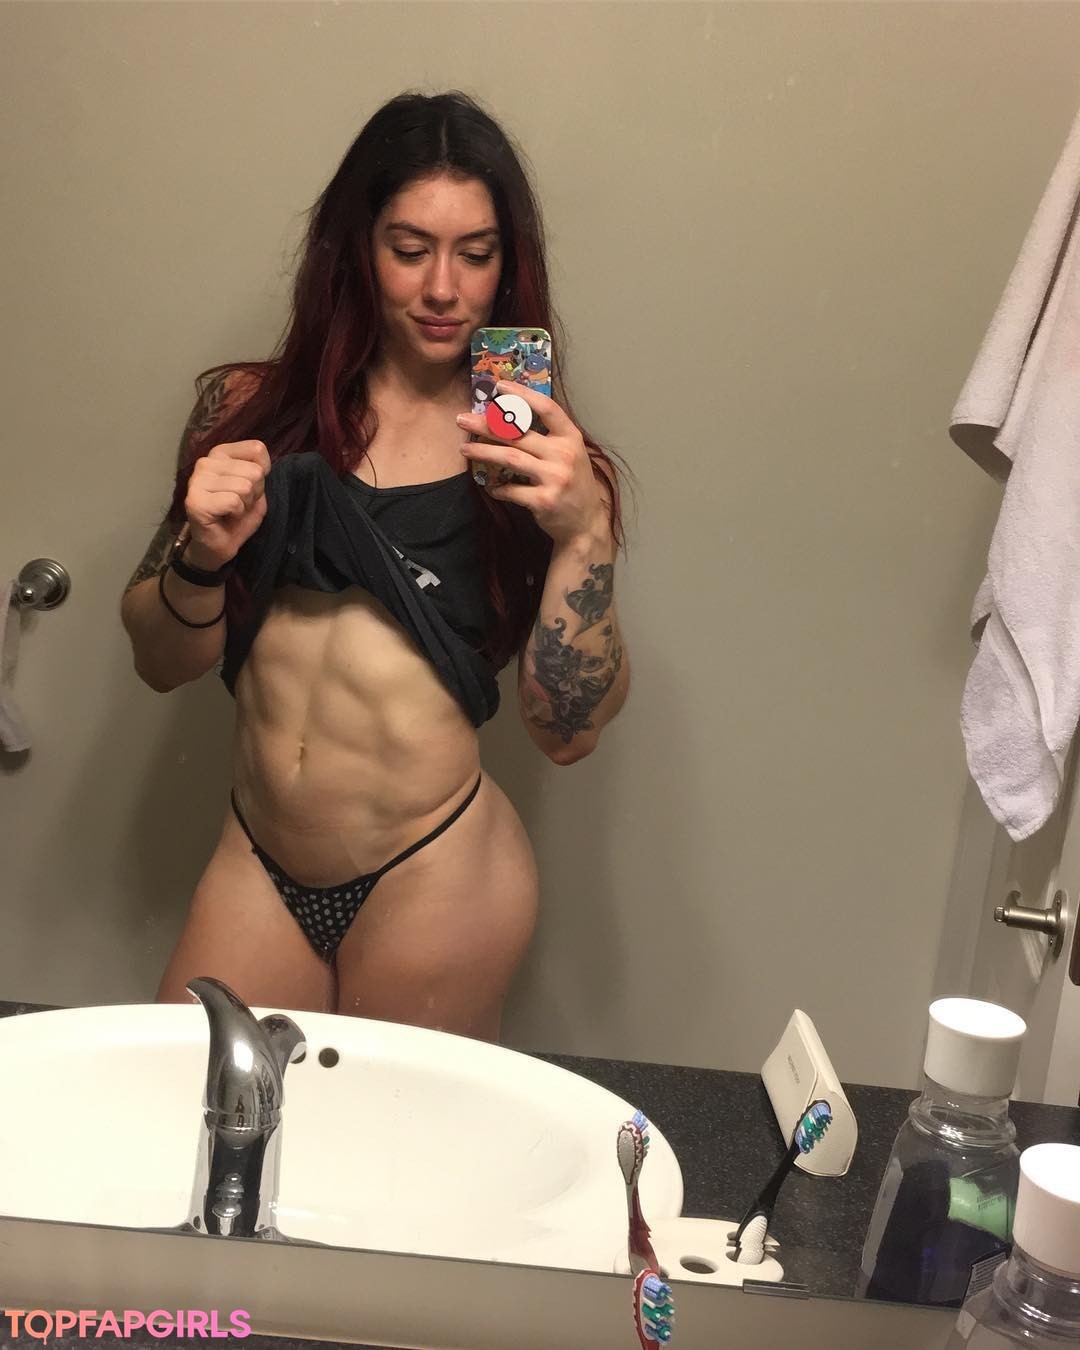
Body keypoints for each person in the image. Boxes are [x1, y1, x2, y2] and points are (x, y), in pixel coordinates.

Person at [120, 91, 628, 1041]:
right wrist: (203, 556)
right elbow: (160, 660)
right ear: (357, 248)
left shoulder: (539, 461)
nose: (442, 287)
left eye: (475, 253)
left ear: (507, 265)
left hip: (433, 871)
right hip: (257, 859)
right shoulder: (247, 411)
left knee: (400, 1136)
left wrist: (585, 535)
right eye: (409, 248)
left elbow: (567, 733)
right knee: (198, 1108)